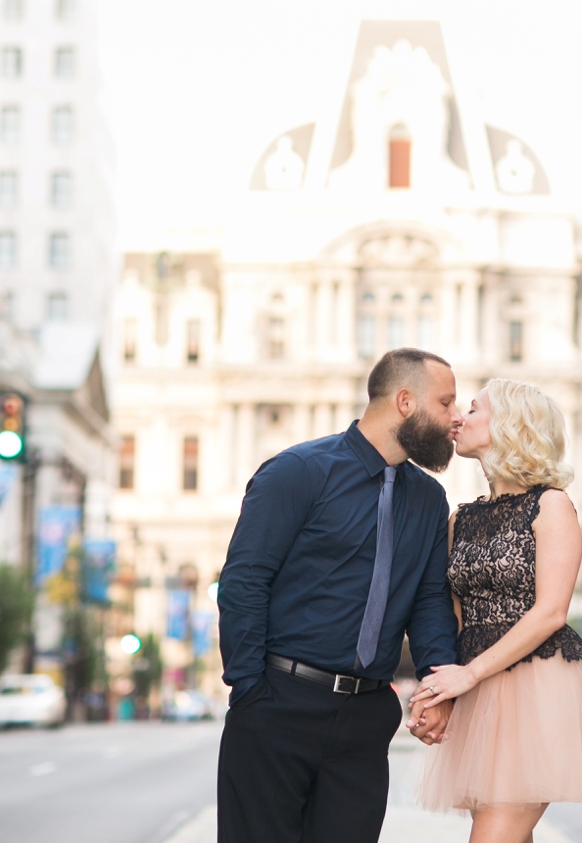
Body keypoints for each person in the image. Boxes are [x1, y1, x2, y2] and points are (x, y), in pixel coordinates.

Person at [216, 347, 461, 843]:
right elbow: (244, 581)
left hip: (366, 718)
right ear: (406, 402)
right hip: (278, 706)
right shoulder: (296, 472)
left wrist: (438, 685)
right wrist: (250, 691)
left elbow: (430, 600)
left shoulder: (430, 500)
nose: (455, 418)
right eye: (446, 403)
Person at [411, 377, 582, 843]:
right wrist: (438, 695)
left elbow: (551, 612)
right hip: (480, 691)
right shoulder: (461, 517)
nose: (458, 418)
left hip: (539, 687)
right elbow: (452, 615)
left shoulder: (551, 506)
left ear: (510, 425)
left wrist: (466, 677)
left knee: (493, 835)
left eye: (473, 410)